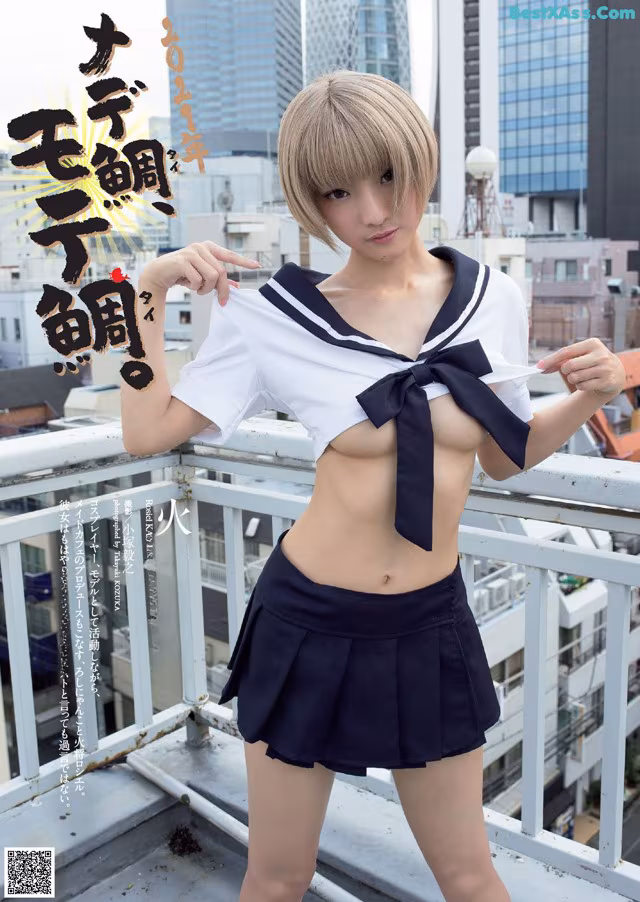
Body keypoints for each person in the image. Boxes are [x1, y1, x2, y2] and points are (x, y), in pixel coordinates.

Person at [121, 71, 625, 902]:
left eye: (388, 175)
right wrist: (146, 287)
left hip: (431, 621)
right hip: (310, 620)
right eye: (338, 191)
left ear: (418, 160)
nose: (372, 209)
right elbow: (147, 434)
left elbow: (501, 454)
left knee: (468, 873)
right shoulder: (278, 319)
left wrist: (590, 397)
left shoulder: (491, 296)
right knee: (280, 876)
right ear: (311, 203)